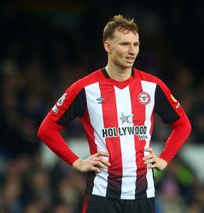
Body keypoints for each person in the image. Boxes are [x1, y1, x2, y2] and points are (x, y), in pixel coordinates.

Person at [37, 15, 192, 213]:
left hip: (142, 194)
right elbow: (46, 129)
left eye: (136, 44)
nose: (132, 51)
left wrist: (165, 158)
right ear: (107, 46)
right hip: (102, 195)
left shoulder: (152, 86)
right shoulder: (86, 88)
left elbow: (183, 125)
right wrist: (77, 162)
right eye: (125, 44)